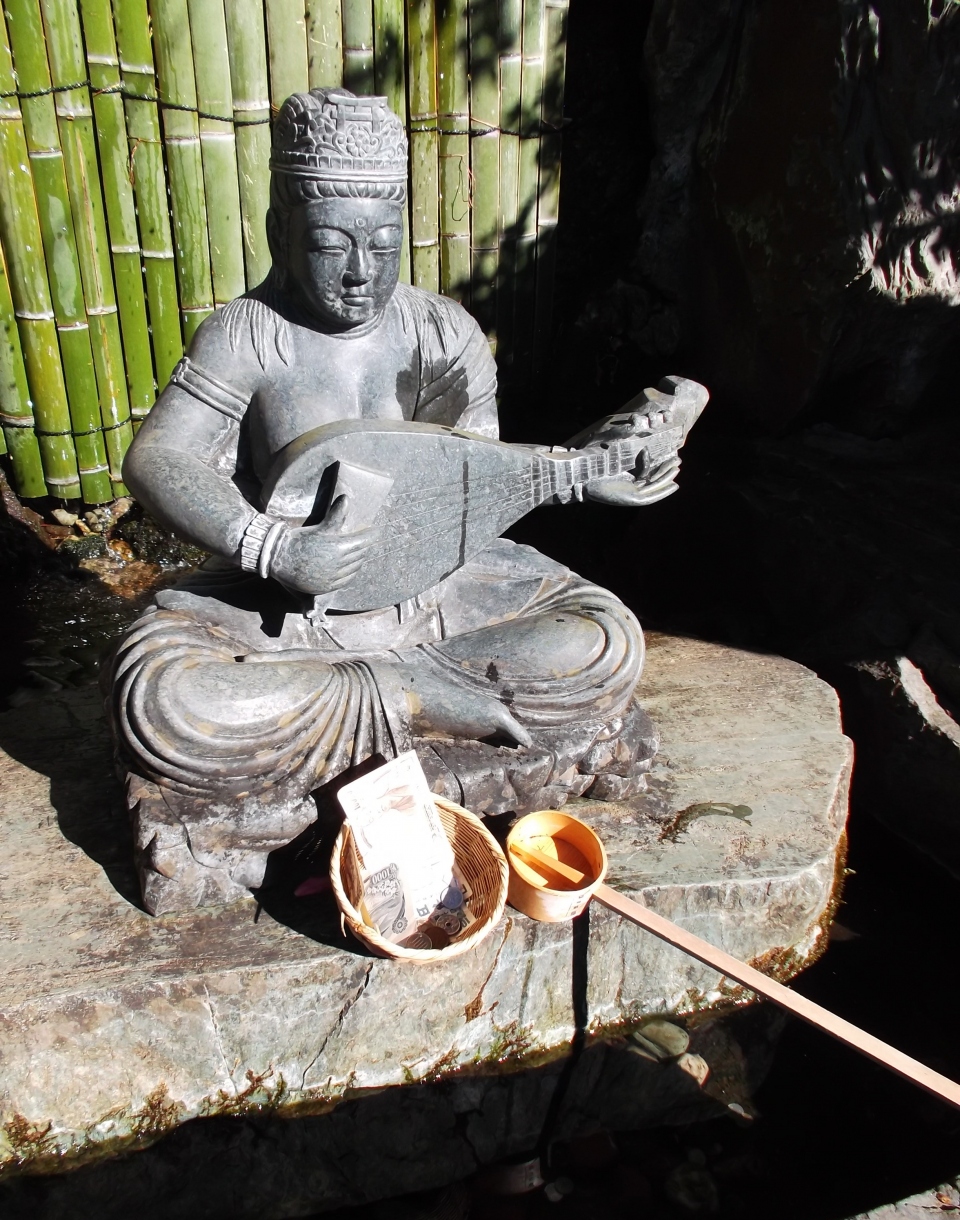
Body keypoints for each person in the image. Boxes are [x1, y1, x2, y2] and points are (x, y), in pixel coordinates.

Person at [106, 89, 699, 914]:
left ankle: (398, 688)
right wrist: (275, 548)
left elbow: (471, 485)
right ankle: (421, 700)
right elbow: (159, 458)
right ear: (281, 232)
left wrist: (576, 472)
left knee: (605, 638)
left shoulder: (441, 331)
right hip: (289, 610)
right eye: (331, 244)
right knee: (161, 698)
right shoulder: (247, 335)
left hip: (438, 594)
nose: (361, 271)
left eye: (383, 244)